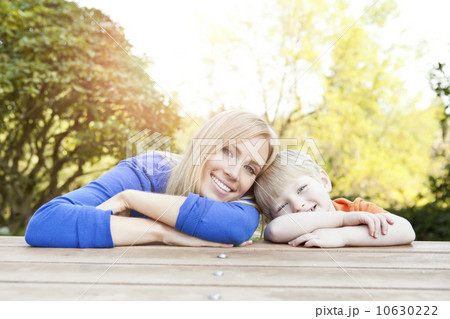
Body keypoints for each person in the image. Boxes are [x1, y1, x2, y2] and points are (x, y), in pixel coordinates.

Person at [25, 110, 278, 248]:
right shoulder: (147, 171)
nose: (234, 173)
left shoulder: (246, 199)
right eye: (227, 151)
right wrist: (158, 231)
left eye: (250, 169)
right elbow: (45, 223)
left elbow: (232, 228)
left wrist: (130, 201)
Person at [254, 150, 416, 248]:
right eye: (282, 206)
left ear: (324, 181)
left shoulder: (355, 210)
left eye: (302, 189)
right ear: (271, 217)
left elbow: (405, 230)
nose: (297, 205)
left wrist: (342, 236)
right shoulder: (287, 228)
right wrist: (342, 219)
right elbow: (274, 230)